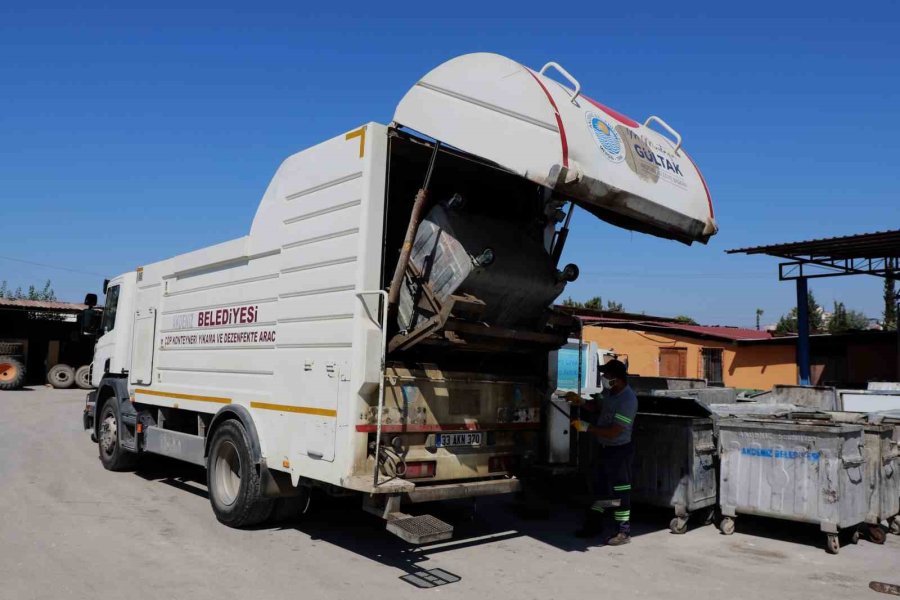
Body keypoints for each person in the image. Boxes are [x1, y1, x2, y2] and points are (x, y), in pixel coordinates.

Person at [565, 359, 637, 546]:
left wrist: (587, 428)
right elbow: (596, 406)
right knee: (600, 488)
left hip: (620, 451)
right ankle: (594, 525)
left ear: (618, 379)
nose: (604, 378)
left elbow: (615, 431)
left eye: (607, 376)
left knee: (620, 492)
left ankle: (623, 531)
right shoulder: (609, 392)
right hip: (604, 449)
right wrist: (580, 401)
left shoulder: (627, 400)